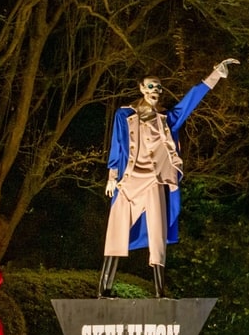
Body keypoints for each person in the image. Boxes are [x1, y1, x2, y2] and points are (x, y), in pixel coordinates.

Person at [100, 59, 239, 298]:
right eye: (151, 87)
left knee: (157, 231)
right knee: (116, 229)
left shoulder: (166, 118)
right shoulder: (124, 115)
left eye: (159, 88)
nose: (156, 91)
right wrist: (112, 175)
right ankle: (104, 289)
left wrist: (215, 74)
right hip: (130, 179)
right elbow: (117, 145)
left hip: (155, 180)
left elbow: (190, 102)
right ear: (141, 88)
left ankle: (159, 291)